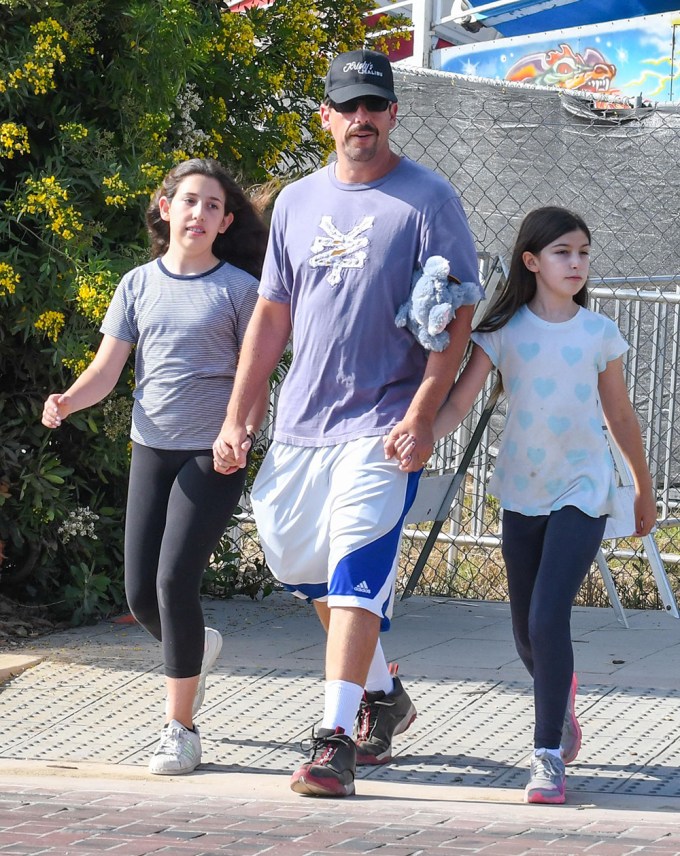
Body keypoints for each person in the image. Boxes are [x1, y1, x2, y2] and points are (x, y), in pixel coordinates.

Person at [212, 48, 483, 797]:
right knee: (296, 564)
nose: (362, 119)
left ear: (393, 113)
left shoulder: (428, 198)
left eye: (375, 105)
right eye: (349, 106)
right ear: (326, 117)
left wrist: (424, 412)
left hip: (384, 424)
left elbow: (456, 316)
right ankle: (385, 694)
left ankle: (333, 737)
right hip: (302, 425)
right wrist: (241, 413)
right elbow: (273, 316)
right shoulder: (296, 202)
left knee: (357, 573)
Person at [389, 206, 657, 804]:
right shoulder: (501, 333)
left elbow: (619, 415)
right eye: (564, 252)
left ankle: (546, 757)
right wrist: (422, 433)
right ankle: (560, 696)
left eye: (584, 252)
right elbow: (458, 405)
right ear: (532, 261)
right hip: (522, 491)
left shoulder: (598, 334)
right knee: (524, 634)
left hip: (582, 489)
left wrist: (640, 485)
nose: (577, 263)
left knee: (546, 616)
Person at [41, 158, 269, 776]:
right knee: (142, 596)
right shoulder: (136, 284)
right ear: (165, 208)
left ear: (225, 222)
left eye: (213, 206)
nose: (199, 213)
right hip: (152, 447)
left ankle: (181, 729)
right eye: (189, 201)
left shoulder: (240, 291)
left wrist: (240, 431)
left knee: (174, 585)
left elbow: (257, 379)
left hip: (211, 453)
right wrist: (67, 399)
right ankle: (197, 648)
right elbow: (107, 370)